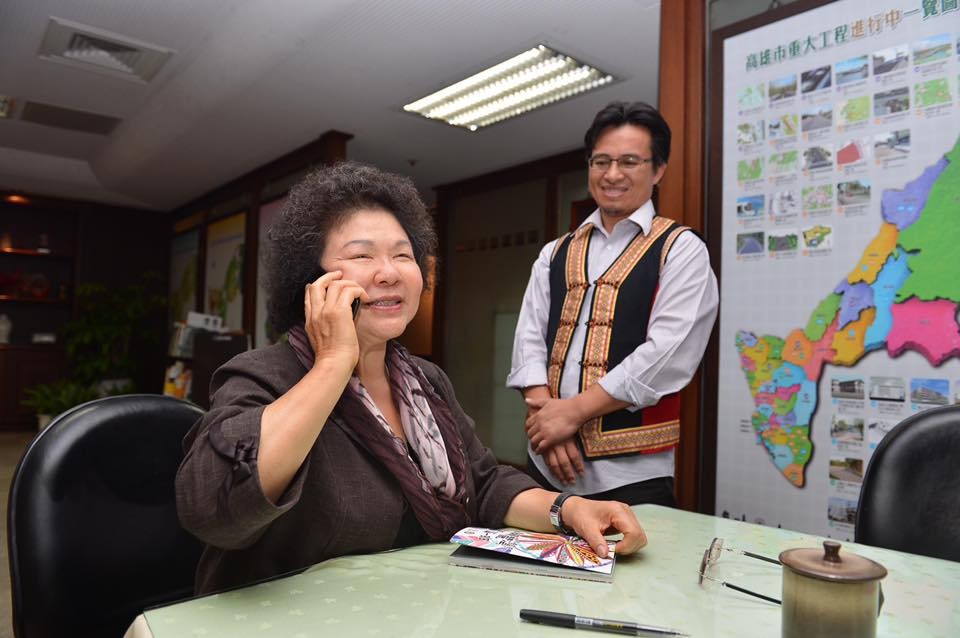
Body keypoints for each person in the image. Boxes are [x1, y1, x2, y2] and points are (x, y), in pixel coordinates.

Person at [176, 161, 647, 595]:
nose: (389, 273)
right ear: (310, 281)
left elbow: (482, 484)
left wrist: (566, 509)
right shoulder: (263, 374)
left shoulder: (425, 379)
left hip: (415, 609)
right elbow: (214, 508)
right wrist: (334, 363)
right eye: (362, 256)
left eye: (403, 256)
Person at [507, 101, 718, 506]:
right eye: (600, 161)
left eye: (629, 161)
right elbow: (529, 341)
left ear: (658, 170)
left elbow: (667, 355)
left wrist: (572, 414)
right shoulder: (555, 251)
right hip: (544, 465)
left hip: (633, 477)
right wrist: (548, 425)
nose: (612, 174)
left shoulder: (680, 249)